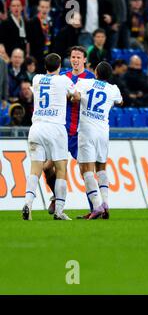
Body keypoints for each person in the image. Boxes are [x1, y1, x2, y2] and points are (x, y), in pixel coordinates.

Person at [22, 53, 76, 221]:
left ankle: (28, 204)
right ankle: (59, 211)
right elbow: (76, 96)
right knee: (61, 168)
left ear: (45, 66)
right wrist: (72, 96)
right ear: (59, 66)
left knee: (35, 169)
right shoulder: (64, 80)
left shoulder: (37, 79)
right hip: (56, 129)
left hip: (36, 127)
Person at [43, 46, 96, 215]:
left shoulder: (90, 77)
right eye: (73, 57)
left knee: (85, 170)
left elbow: (92, 102)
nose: (75, 60)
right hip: (60, 130)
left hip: (79, 132)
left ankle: (94, 209)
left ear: (84, 60)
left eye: (78, 57)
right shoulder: (63, 76)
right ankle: (56, 196)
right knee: (46, 167)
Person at [74, 62, 122, 220]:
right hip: (103, 132)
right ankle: (106, 204)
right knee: (101, 168)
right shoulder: (113, 89)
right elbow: (120, 102)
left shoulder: (84, 83)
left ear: (95, 72)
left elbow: (75, 96)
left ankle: (96, 206)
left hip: (87, 131)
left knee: (86, 170)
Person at [27, 0, 54, 73]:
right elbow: (29, 41)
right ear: (38, 8)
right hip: (36, 58)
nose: (44, 9)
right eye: (42, 7)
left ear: (49, 9)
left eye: (46, 7)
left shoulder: (50, 22)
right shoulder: (32, 22)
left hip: (48, 56)